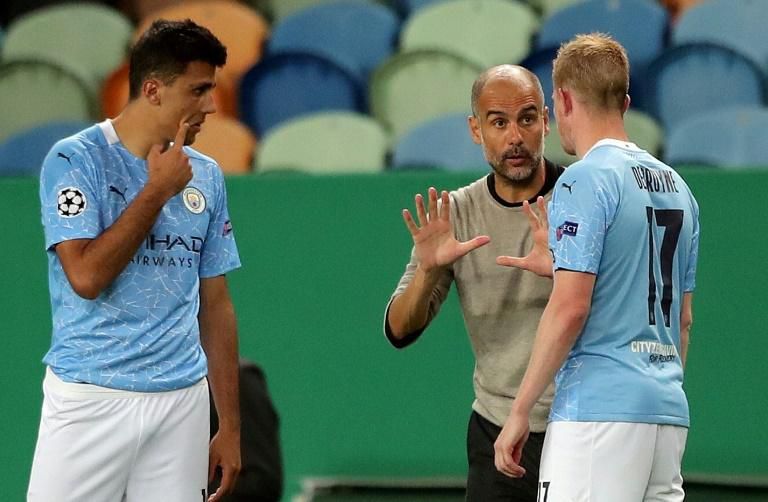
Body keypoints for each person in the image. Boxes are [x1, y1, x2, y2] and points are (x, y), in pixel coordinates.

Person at [28, 19, 242, 502]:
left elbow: (217, 304)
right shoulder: (74, 161)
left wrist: (228, 425)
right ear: (153, 90)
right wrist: (158, 191)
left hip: (181, 404)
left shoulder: (206, 177)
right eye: (199, 90)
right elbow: (86, 276)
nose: (211, 105)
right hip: (89, 397)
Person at [493, 33, 700, 502]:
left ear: (563, 99)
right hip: (667, 414)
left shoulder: (583, 180)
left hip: (597, 414)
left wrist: (521, 410)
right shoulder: (679, 188)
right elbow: (681, 320)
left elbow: (570, 309)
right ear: (624, 102)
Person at [384, 64, 565, 501]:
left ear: (545, 120)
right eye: (498, 122)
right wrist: (428, 269)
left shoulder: (584, 197)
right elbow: (398, 329)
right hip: (495, 430)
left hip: (578, 426)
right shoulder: (456, 214)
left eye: (525, 119)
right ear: (475, 130)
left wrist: (562, 271)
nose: (514, 137)